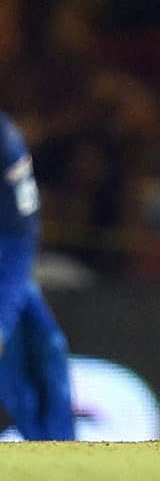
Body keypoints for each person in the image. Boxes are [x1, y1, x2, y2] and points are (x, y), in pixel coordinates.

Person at [0, 111, 75, 440]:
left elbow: (20, 233)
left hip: (3, 264)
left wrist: (1, 320)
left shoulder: (4, 139)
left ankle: (65, 461)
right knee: (14, 374)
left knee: (48, 346)